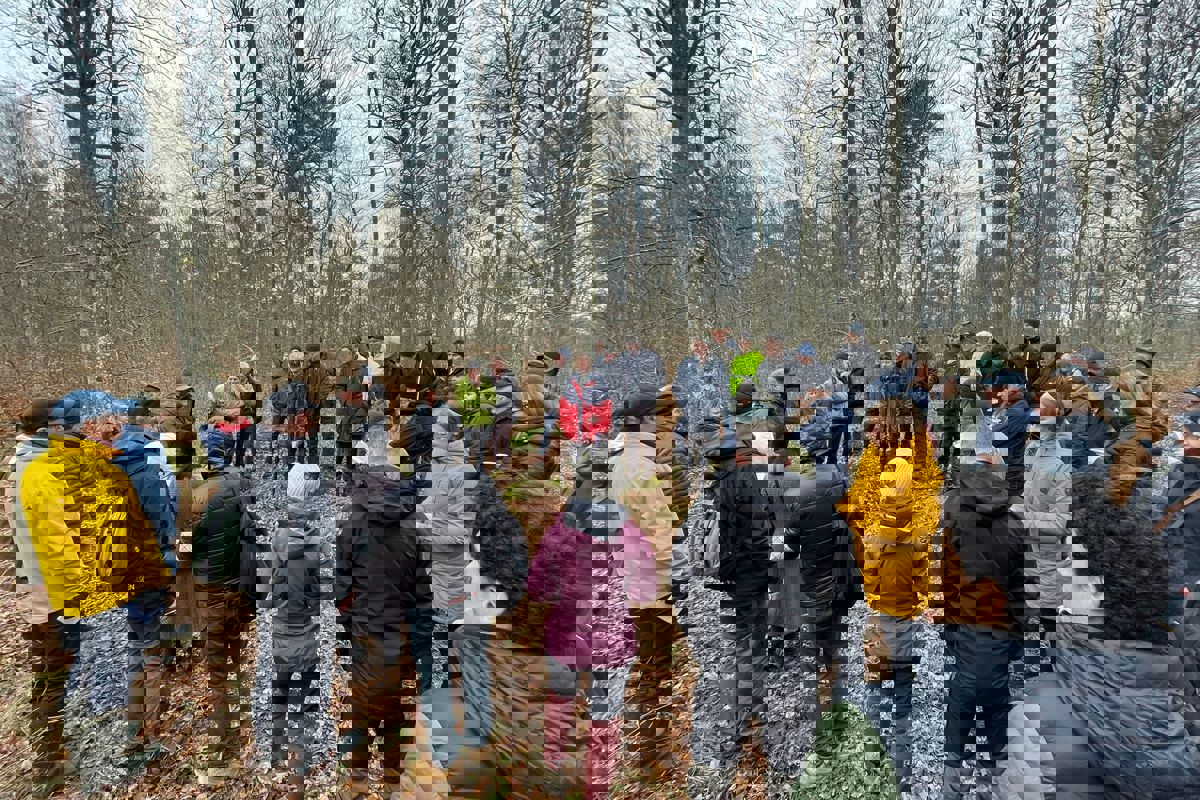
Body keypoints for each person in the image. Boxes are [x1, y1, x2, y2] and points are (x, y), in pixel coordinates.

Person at [14, 395, 172, 797]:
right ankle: (92, 761)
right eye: (91, 425)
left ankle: (85, 755)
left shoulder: (67, 464)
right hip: (75, 597)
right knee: (84, 679)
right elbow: (61, 543)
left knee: (84, 677)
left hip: (85, 591)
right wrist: (85, 601)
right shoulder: (47, 472)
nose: (100, 432)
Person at [336, 405, 433, 797]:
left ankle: (357, 782)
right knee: (397, 708)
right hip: (401, 634)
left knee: (361, 707)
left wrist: (347, 624)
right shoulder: (415, 528)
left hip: (366, 631)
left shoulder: (352, 524)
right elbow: (424, 593)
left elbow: (339, 588)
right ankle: (393, 780)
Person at [526, 452, 635, 798]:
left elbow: (537, 586)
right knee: (604, 717)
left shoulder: (563, 528)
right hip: (610, 639)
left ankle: (554, 780)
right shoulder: (627, 527)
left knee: (559, 708)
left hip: (566, 636)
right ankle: (597, 790)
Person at [936, 456, 1029, 800]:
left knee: (965, 693)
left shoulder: (955, 517)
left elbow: (945, 576)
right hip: (999, 623)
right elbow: (1021, 586)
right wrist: (1018, 632)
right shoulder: (1015, 526)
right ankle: (993, 767)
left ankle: (954, 772)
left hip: (965, 621)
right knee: (994, 694)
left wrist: (947, 622)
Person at [187, 430, 263, 784]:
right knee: (236, 651)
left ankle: (223, 751)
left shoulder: (198, 495)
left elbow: (186, 548)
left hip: (213, 591)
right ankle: (242, 714)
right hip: (243, 589)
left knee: (217, 666)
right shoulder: (248, 486)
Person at [110, 394, 180, 770]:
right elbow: (163, 518)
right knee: (147, 651)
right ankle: (145, 739)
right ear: (150, 421)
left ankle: (135, 731)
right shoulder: (150, 463)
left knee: (136, 642)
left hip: (121, 568)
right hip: (148, 568)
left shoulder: (109, 461)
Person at [712, 391, 779, 769]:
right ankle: (745, 719)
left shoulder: (726, 480)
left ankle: (744, 714)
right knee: (749, 644)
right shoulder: (751, 482)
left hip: (734, 571)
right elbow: (757, 535)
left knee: (743, 641)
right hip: (751, 573)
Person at [267, 463, 327, 785]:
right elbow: (326, 590)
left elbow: (265, 592)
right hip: (306, 631)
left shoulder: (276, 539)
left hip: (281, 629)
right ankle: (300, 762)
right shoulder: (317, 543)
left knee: (279, 688)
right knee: (306, 693)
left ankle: (276, 749)